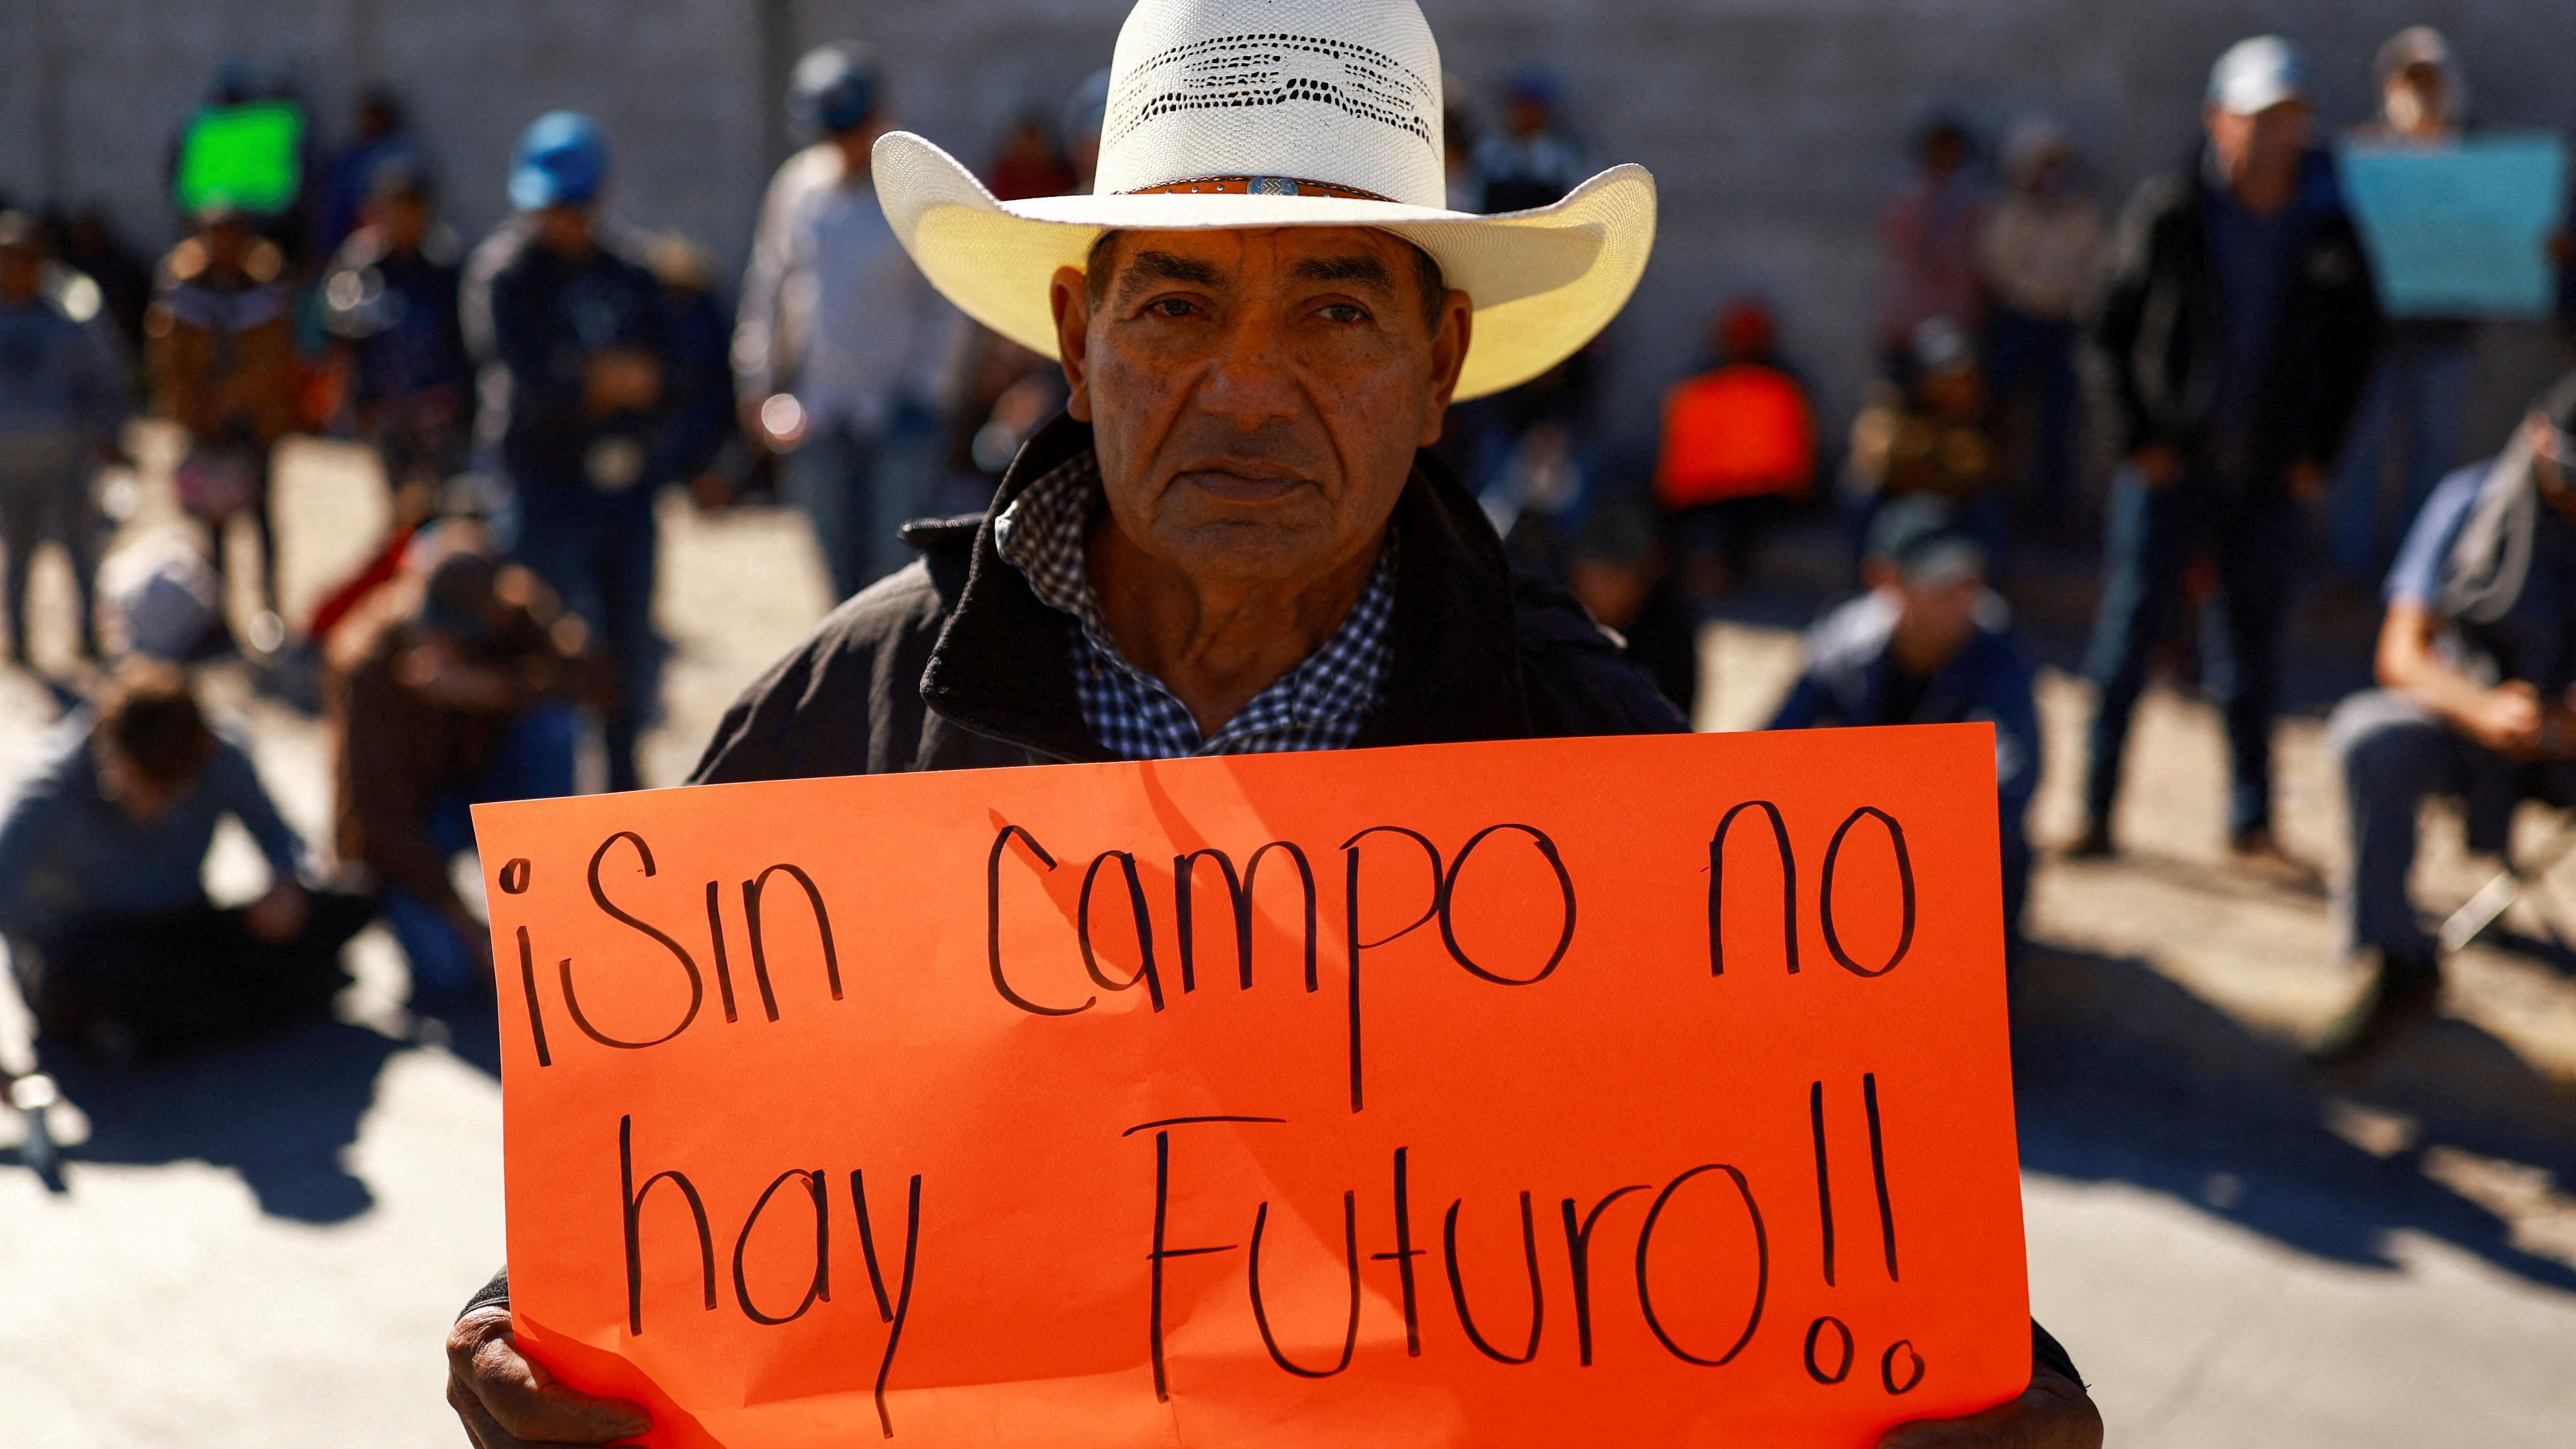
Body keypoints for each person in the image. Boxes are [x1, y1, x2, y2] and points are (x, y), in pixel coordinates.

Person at [443, 5, 2099, 1447]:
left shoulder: (1598, 755)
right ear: (1082, 344)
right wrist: (549, 1338)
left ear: (1440, 359)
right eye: (1175, 309)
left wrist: (1944, 1383)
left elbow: (1795, 1243)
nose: (1245, 387)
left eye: (1333, 312)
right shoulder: (854, 709)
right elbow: (668, 1188)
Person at [2073, 36, 2377, 863]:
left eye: (2289, 118)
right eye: (2259, 118)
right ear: (2220, 121)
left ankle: (2250, 820)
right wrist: (2138, 439)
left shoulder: (2329, 225)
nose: (2275, 135)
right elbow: (2107, 334)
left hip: (2269, 474)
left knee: (2253, 649)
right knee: (2129, 637)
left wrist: (2319, 450)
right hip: (2174, 469)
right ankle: (2096, 811)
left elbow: (2358, 347)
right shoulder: (2171, 213)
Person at [2321, 374, 2576, 1061]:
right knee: (2368, 737)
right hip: (2472, 726)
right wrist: (2483, 710)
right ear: (2538, 441)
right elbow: (2400, 654)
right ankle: (2393, 960)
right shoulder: (2473, 501)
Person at [0, 659, 372, 1060]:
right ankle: (284, 996)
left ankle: (171, 1028)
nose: (152, 806)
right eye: (138, 785)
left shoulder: (218, 755)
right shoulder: (53, 788)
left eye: (168, 791)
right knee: (90, 976)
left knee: (352, 895)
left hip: (181, 927)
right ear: (112, 755)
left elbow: (281, 837)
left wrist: (286, 885)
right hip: (91, 948)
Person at [462, 111, 668, 794]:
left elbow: (670, 370)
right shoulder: (506, 275)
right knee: (543, 648)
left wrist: (607, 381)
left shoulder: (630, 271)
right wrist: (603, 378)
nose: (560, 220)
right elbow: (528, 377)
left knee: (626, 653)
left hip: (623, 491)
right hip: (538, 486)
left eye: (571, 205)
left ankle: (625, 793)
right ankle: (538, 798)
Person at [327, 526, 611, 1002]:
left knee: (557, 730)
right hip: (416, 822)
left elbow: (599, 683)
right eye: (433, 629)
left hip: (494, 791)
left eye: (456, 636)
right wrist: (468, 926)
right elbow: (379, 822)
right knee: (449, 976)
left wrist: (491, 688)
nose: (442, 644)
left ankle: (549, 910)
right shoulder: (371, 664)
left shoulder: (513, 614)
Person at [734, 43, 958, 600]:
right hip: (819, 406)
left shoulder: (916, 185)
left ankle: (900, 682)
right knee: (832, 568)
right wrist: (757, 380)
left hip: (895, 409)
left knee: (895, 571)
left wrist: (928, 389)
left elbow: (946, 300)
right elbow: (771, 283)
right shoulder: (798, 188)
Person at [1770, 497, 2041, 940]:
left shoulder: (1996, 648)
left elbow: (2013, 772)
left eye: (1968, 581)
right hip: (1852, 826)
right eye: (1941, 583)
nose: (1961, 598)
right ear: (1888, 581)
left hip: (1942, 836)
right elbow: (1774, 741)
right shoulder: (1845, 642)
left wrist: (1920, 825)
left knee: (2005, 852)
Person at [2326, 26, 2477, 583]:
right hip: (2375, 337)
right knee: (2358, 459)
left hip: (2443, 339)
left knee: (2430, 466)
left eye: (2427, 83)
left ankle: (2416, 578)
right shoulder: (2368, 154)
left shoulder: (2474, 162)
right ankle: (2349, 568)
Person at [147, 206, 298, 646]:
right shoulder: (183, 289)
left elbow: (276, 359)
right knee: (211, 527)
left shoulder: (266, 286)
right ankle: (219, 615)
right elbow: (169, 364)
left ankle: (270, 607)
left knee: (262, 517)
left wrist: (235, 397)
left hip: (255, 425)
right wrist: (196, 411)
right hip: (206, 426)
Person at [0, 211, 125, 667]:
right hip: (9, 461)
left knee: (81, 549)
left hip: (66, 455)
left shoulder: (72, 313)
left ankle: (90, 633)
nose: (15, 270)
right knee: (17, 554)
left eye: (23, 260)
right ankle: (19, 639)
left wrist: (111, 434)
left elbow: (106, 379)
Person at [319, 160, 472, 525]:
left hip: (439, 412)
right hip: (388, 412)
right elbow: (343, 340)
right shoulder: (362, 270)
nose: (405, 220)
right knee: (401, 513)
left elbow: (466, 340)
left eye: (414, 211)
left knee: (447, 508)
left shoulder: (445, 271)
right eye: (397, 210)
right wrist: (347, 403)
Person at [1977, 118, 2102, 522]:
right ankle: (1994, 499)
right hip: (2019, 320)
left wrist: (2069, 298)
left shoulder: (2079, 213)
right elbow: (1997, 264)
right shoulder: (2014, 213)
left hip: (2064, 325)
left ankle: (2053, 508)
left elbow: (2096, 264)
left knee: (2058, 420)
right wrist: (2031, 291)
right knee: (2004, 411)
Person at [1654, 297, 1816, 598]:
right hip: (1705, 495)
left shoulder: (1781, 387)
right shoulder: (1696, 388)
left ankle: (1719, 575)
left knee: (1738, 518)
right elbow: (1679, 461)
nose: (1740, 344)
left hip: (1762, 495)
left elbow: (1793, 462)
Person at [1879, 114, 1987, 364]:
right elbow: (1898, 237)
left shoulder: (1976, 198)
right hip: (1909, 313)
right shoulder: (1908, 195)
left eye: (1951, 149)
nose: (1945, 155)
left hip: (1959, 312)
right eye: (1940, 148)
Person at [1474, 65, 1587, 214]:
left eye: (1530, 107)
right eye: (1517, 105)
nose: (1522, 114)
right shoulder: (1489, 151)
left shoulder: (1565, 155)